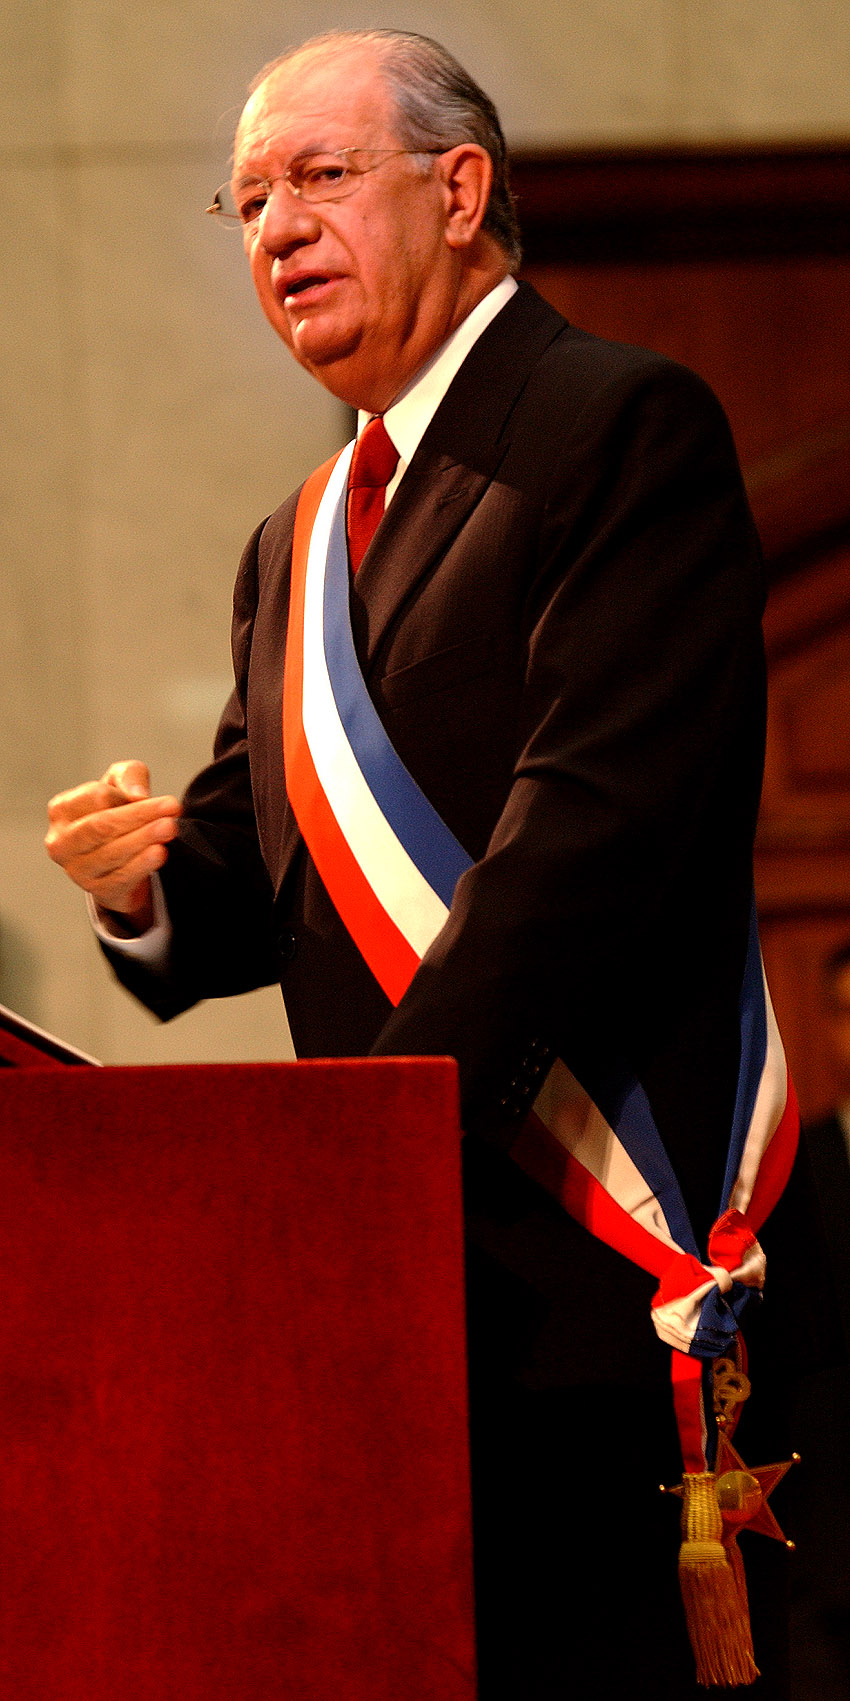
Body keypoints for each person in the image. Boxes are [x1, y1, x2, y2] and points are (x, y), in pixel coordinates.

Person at [45, 29, 784, 1697]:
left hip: (596, 1268)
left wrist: (365, 1166)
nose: (275, 229)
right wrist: (142, 884)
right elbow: (252, 880)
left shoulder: (618, 426)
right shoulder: (298, 539)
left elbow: (587, 834)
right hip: (405, 1298)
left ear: (459, 191)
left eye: (318, 176)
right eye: (245, 200)